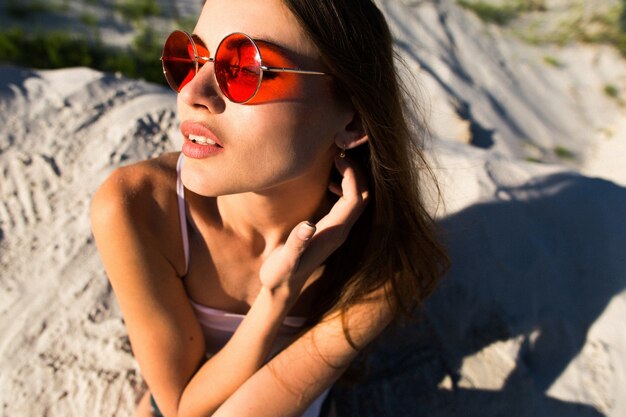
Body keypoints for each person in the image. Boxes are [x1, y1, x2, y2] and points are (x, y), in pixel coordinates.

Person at [91, 0, 449, 416]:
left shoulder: (381, 259)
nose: (192, 92)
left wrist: (281, 287)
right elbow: (180, 406)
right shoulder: (137, 207)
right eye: (189, 57)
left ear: (353, 122)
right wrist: (277, 296)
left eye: (245, 69)